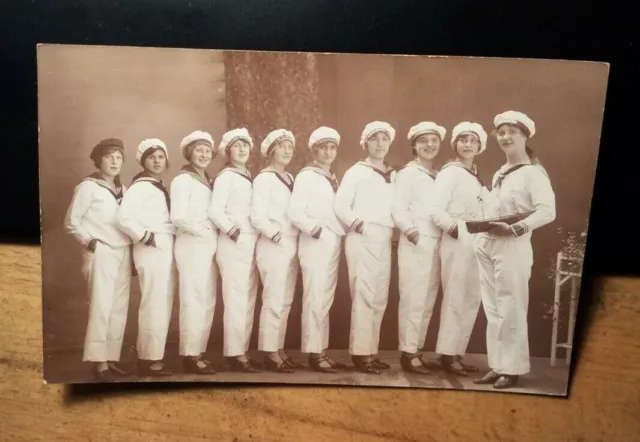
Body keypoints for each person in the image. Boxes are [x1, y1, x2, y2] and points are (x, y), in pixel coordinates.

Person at [473, 110, 556, 389]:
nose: (506, 137)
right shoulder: (500, 172)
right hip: (488, 242)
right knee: (493, 308)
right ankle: (498, 365)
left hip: (513, 245)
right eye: (502, 132)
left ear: (524, 137)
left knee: (511, 306)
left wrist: (516, 228)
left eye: (513, 132)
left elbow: (548, 211)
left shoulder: (533, 173)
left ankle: (513, 369)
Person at [64, 138, 132, 381]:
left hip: (123, 252)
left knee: (118, 307)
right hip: (100, 251)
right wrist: (91, 242)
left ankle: (111, 358)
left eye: (119, 157)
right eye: (109, 156)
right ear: (99, 160)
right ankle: (98, 361)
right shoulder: (88, 187)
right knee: (101, 306)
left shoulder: (123, 190)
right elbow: (72, 222)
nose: (114, 162)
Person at [334, 120, 397, 375]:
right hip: (362, 237)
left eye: (384, 139)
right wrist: (358, 225)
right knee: (363, 294)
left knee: (379, 298)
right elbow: (340, 206)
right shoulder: (356, 171)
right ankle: (360, 354)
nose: (380, 143)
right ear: (366, 143)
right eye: (374, 139)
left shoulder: (393, 174)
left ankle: (371, 350)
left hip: (384, 238)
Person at [288, 126, 348, 373]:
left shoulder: (331, 176)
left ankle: (320, 350)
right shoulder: (307, 176)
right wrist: (317, 231)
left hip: (332, 241)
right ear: (314, 150)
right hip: (315, 241)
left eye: (332, 147)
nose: (328, 152)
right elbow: (295, 212)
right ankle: (314, 352)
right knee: (314, 296)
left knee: (325, 297)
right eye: (323, 147)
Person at [431, 122, 489, 376]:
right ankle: (446, 354)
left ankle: (458, 353)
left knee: (472, 296)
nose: (468, 145)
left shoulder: (475, 175)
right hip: (458, 236)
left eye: (473, 141)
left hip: (478, 237)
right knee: (455, 295)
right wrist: (454, 229)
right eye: (463, 140)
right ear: (455, 144)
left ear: (480, 146)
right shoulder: (450, 172)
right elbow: (436, 209)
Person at [117, 138, 176, 377]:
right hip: (151, 247)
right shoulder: (141, 186)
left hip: (164, 246)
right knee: (154, 302)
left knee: (162, 302)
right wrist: (146, 237)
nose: (157, 161)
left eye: (161, 156)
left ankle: (154, 357)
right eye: (152, 157)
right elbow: (123, 219)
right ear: (143, 161)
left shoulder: (158, 185)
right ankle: (148, 360)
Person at [392, 122, 445, 374]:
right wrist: (412, 233)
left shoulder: (439, 175)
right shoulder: (407, 174)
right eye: (423, 141)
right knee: (413, 298)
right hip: (416, 240)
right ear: (414, 145)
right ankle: (408, 352)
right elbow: (398, 208)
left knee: (427, 300)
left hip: (437, 242)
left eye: (434, 140)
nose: (429, 145)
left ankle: (418, 350)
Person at [209, 128, 260, 373]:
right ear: (228, 151)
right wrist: (234, 232)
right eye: (237, 146)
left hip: (249, 242)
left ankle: (241, 351)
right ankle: (234, 353)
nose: (242, 149)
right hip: (233, 242)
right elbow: (216, 211)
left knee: (247, 298)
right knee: (236, 298)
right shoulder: (226, 176)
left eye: (245, 145)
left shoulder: (247, 175)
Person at [251, 129, 301, 373]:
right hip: (273, 245)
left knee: (285, 300)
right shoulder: (264, 179)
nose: (287, 151)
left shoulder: (291, 178)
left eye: (290, 146)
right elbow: (257, 216)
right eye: (282, 146)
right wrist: (277, 235)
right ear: (271, 151)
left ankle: (278, 348)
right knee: (273, 299)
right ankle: (269, 351)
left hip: (291, 245)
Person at [170, 130, 218, 375]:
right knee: (193, 299)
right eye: (199, 150)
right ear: (189, 154)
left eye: (207, 151)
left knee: (207, 300)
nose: (203, 155)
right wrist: (202, 230)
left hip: (207, 246)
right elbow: (177, 216)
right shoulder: (183, 180)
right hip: (191, 245)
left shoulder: (207, 180)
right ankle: (190, 354)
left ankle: (199, 352)